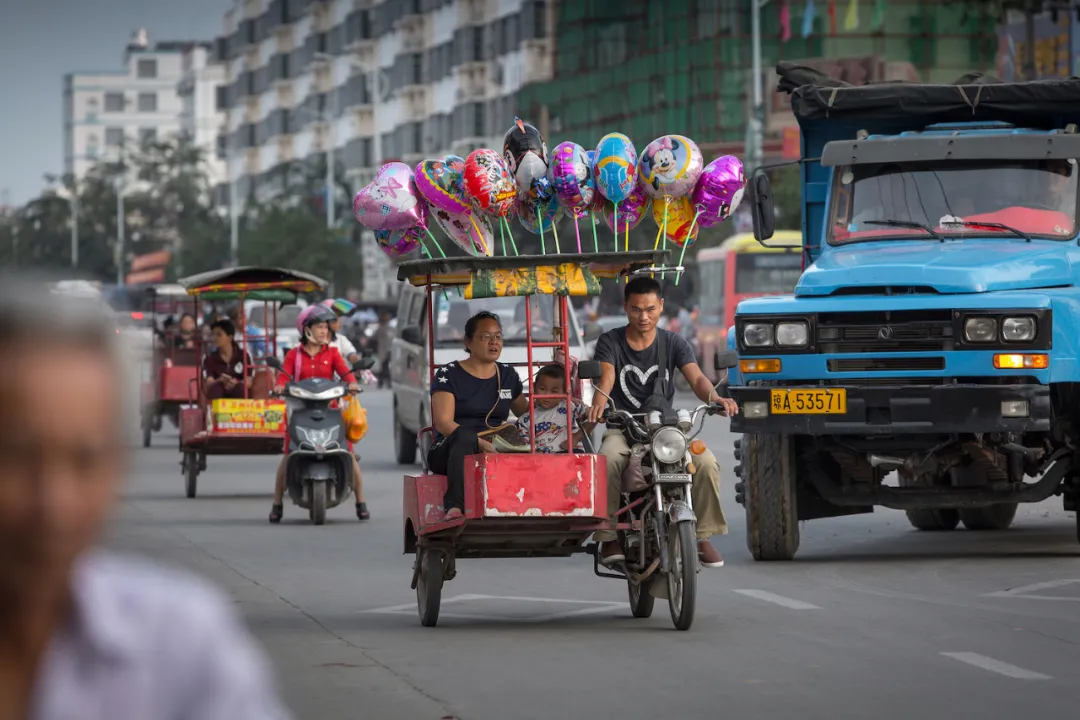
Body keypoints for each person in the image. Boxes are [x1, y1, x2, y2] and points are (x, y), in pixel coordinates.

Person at [0, 276, 291, 719]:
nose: (53, 506)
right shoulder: (210, 359)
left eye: (85, 460)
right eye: (17, 457)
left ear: (116, 469)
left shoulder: (182, 644)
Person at [586, 275, 739, 569]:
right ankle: (608, 536)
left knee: (705, 462)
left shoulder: (674, 342)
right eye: (636, 309)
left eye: (651, 309)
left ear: (662, 306)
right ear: (625, 307)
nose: (644, 317)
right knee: (607, 460)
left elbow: (696, 378)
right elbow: (606, 377)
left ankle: (702, 535)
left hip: (665, 430)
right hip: (624, 426)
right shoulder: (610, 341)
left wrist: (715, 399)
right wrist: (598, 407)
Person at [268, 305, 368, 523]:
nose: (324, 332)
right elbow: (282, 378)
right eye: (320, 327)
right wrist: (278, 386)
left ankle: (361, 501)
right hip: (300, 411)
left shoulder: (332, 353)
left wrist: (352, 384)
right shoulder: (294, 355)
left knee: (348, 453)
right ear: (306, 329)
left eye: (326, 328)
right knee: (288, 454)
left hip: (330, 410)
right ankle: (277, 503)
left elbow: (346, 375)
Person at [427, 311, 528, 520]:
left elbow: (526, 413)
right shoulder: (449, 374)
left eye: (498, 336)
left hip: (495, 441)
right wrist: (480, 444)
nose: (494, 342)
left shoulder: (508, 375)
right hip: (451, 447)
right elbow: (444, 423)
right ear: (468, 342)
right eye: (485, 337)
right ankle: (455, 506)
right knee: (464, 436)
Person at [514, 364, 592, 453]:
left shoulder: (571, 407)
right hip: (543, 461)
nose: (547, 395)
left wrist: (576, 438)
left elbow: (594, 416)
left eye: (554, 391)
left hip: (572, 456)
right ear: (534, 387)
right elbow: (524, 448)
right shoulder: (524, 420)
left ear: (564, 391)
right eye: (542, 389)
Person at [202, 318, 252, 400]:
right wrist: (220, 380)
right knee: (216, 388)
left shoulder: (243, 356)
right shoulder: (210, 358)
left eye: (219, 335)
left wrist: (237, 382)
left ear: (230, 337)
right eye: (213, 335)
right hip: (219, 392)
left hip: (238, 392)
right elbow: (209, 382)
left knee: (241, 389)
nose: (214, 338)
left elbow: (249, 381)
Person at [319, 298, 360, 364]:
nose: (340, 321)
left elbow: (352, 355)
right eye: (335, 317)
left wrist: (358, 363)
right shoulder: (313, 341)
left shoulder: (341, 339)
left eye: (340, 317)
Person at [372, 310, 394, 388]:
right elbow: (375, 338)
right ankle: (383, 382)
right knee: (384, 367)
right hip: (383, 349)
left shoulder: (390, 328)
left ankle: (384, 382)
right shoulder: (380, 328)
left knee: (386, 367)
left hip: (389, 349)